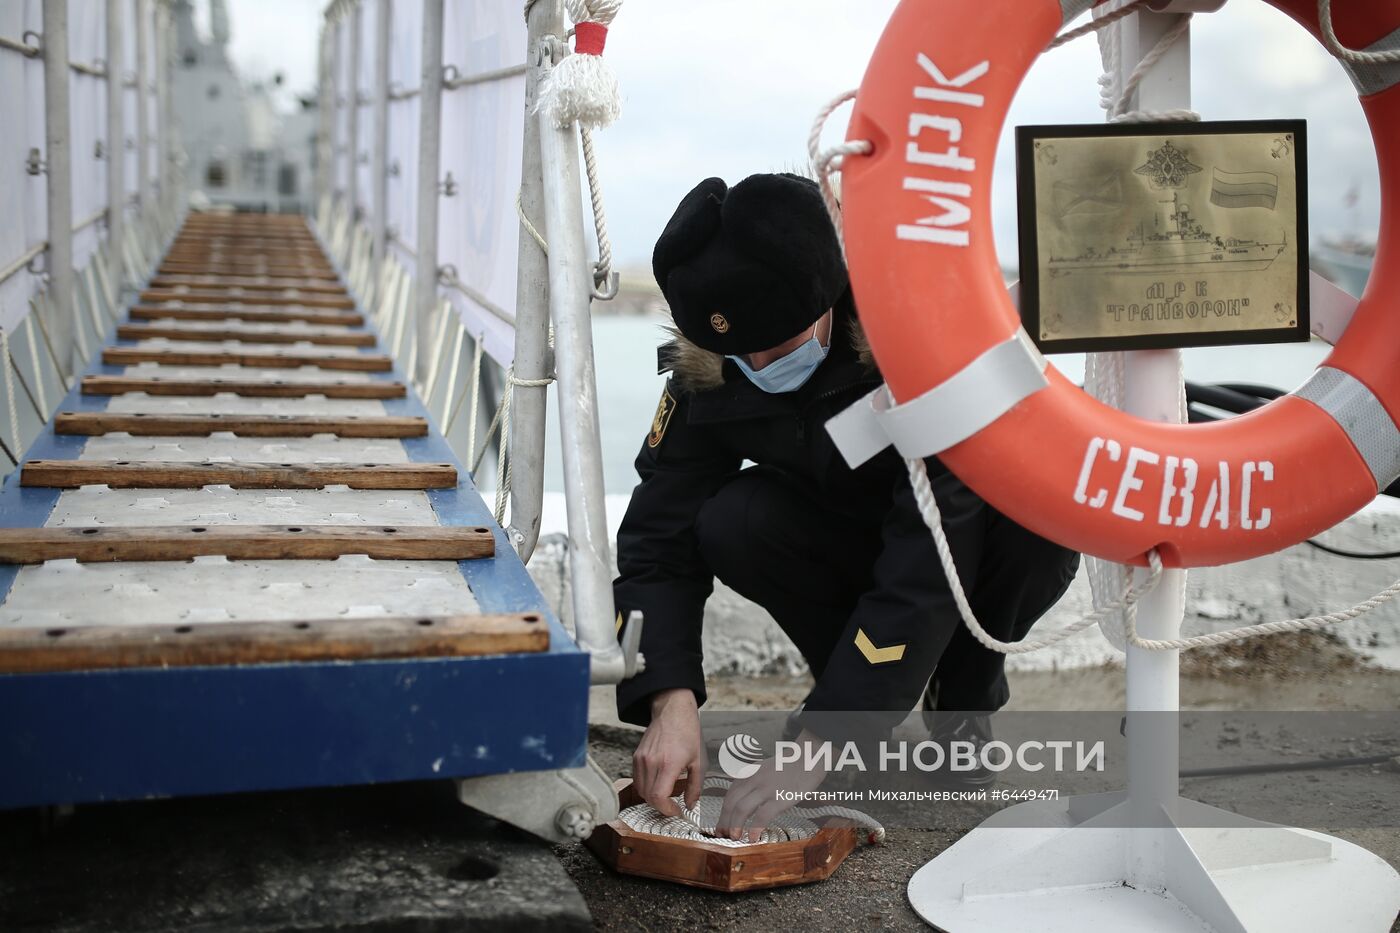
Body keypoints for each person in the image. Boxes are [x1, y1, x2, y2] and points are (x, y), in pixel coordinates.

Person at [612, 173, 1081, 841]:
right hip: (839, 532)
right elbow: (657, 533)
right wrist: (669, 697)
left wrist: (823, 736)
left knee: (1037, 530)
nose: (760, 361)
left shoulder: (917, 336)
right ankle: (847, 698)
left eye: (780, 340)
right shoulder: (709, 363)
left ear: (828, 292)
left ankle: (962, 698)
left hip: (966, 535)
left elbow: (934, 547)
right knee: (730, 519)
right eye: (739, 350)